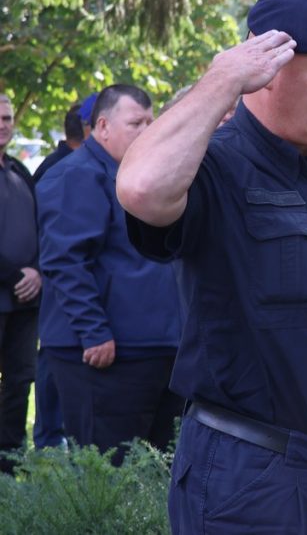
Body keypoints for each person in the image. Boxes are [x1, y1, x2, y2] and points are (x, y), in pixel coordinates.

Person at [117, 0, 307, 533]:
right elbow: (141, 189)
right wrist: (222, 80)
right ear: (266, 69)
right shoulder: (215, 164)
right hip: (253, 483)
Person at [36, 85, 181, 465]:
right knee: (111, 476)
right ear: (102, 126)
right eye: (136, 123)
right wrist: (93, 331)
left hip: (155, 347)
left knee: (155, 474)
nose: (147, 130)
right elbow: (66, 260)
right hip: (105, 354)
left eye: (151, 122)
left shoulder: (136, 175)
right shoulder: (76, 175)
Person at [30, 102, 88, 451]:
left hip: (63, 292)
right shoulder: (60, 171)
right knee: (52, 364)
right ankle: (49, 441)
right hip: (56, 293)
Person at [0, 94, 42, 473]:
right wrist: (15, 275)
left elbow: (41, 227)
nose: (4, 124)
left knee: (19, 380)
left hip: (26, 301)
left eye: (8, 117)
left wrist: (38, 270)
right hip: (6, 288)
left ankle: (10, 459)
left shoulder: (19, 170)